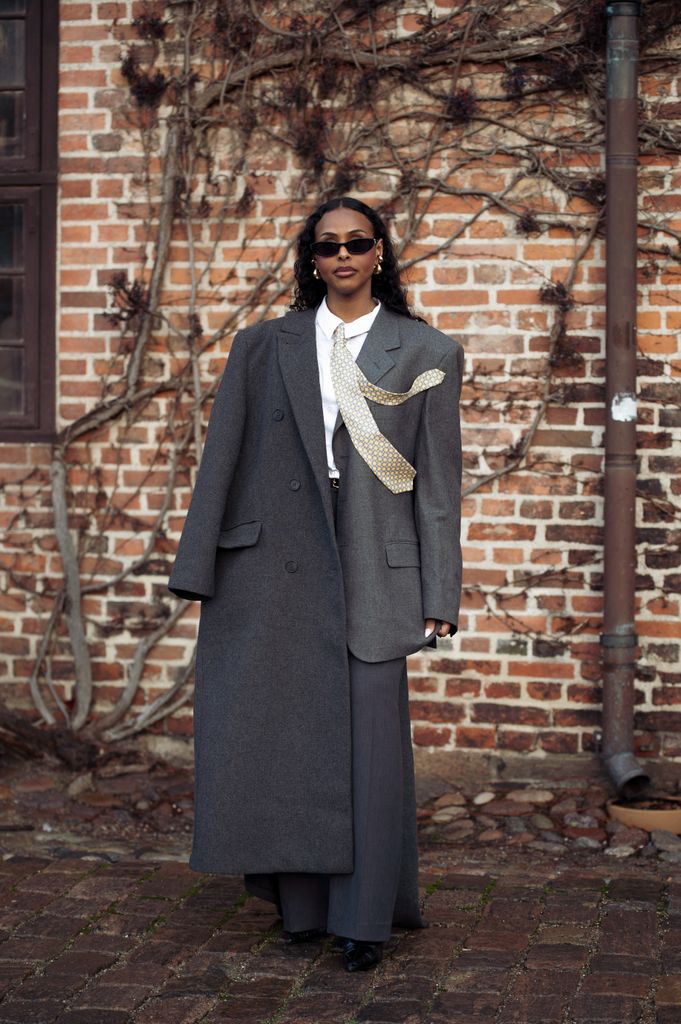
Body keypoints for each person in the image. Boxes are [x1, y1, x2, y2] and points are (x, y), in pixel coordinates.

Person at [168, 195, 464, 972]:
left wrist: (439, 597)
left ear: (378, 255)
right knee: (285, 740)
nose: (341, 256)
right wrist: (198, 568)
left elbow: (435, 484)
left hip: (376, 565)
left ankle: (363, 921)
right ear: (311, 257)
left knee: (368, 751)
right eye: (325, 244)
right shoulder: (264, 346)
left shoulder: (427, 348)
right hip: (272, 569)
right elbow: (222, 458)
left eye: (356, 243)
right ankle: (298, 908)